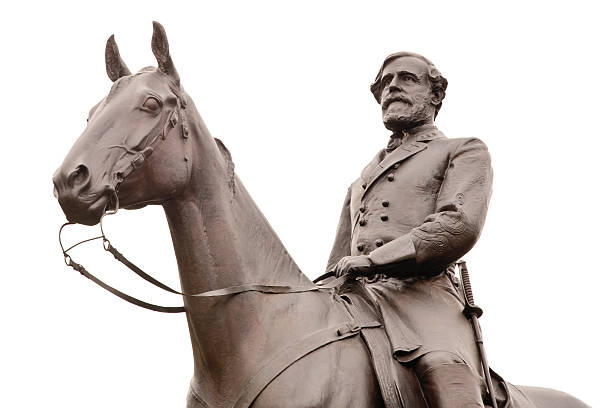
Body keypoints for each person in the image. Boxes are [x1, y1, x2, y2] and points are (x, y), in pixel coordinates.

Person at [326, 52, 493, 408]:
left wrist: (375, 260)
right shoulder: (359, 181)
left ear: (435, 96)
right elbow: (336, 262)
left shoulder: (463, 150)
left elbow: (457, 224)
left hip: (424, 296)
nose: (392, 87)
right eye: (385, 83)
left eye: (406, 79)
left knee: (444, 372)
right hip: (356, 301)